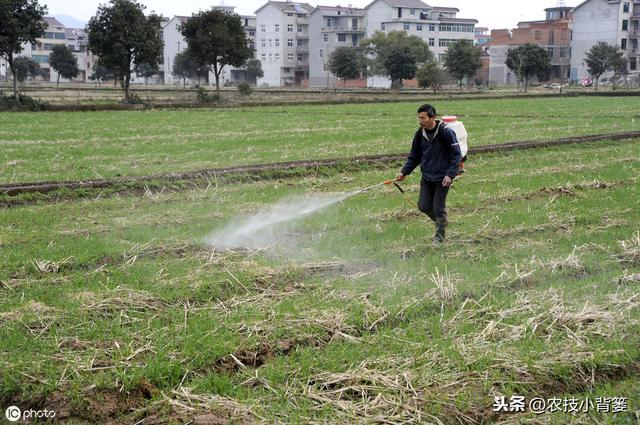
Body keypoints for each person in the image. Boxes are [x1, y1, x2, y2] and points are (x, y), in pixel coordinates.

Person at [396, 104, 462, 244]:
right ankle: (441, 222)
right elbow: (414, 156)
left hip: (443, 177)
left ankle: (439, 236)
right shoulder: (420, 134)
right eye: (419, 118)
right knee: (423, 206)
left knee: (438, 207)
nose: (421, 121)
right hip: (427, 176)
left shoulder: (445, 132)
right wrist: (404, 172)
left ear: (433, 117)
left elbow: (456, 155)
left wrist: (450, 174)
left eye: (423, 118)